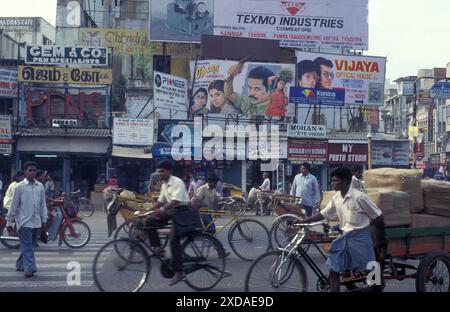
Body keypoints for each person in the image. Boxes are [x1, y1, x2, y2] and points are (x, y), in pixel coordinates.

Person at [297, 166, 386, 292]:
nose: (332, 183)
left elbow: (378, 217)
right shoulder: (336, 198)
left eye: (335, 181)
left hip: (360, 238)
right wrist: (303, 221)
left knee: (372, 273)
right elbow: (324, 213)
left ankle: (376, 287)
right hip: (344, 238)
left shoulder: (359, 197)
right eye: (332, 181)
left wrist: (380, 240)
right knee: (334, 269)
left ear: (345, 181)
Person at [144, 160, 191, 286]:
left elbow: (175, 201)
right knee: (148, 221)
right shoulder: (164, 185)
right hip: (171, 211)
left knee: (173, 240)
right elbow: (161, 201)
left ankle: (179, 272)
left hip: (182, 212)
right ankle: (159, 248)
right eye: (158, 172)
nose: (159, 174)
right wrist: (147, 211)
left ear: (169, 171)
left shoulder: (177, 182)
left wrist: (162, 209)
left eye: (162, 171)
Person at [6, 161, 48, 278]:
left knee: (28, 245)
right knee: (28, 245)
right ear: (25, 172)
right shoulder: (19, 187)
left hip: (36, 222)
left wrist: (44, 220)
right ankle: (29, 269)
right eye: (30, 170)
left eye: (34, 170)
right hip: (24, 222)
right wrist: (9, 221)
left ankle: (20, 264)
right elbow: (14, 205)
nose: (32, 172)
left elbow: (42, 204)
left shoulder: (40, 187)